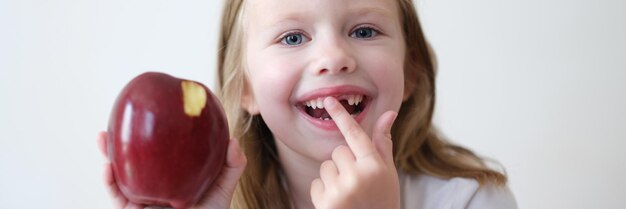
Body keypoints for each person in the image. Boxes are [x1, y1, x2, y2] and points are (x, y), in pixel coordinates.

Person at [98, 0, 518, 208]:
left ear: (410, 70)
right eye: (293, 38)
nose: (334, 57)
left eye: (366, 30)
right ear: (245, 87)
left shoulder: (469, 200)